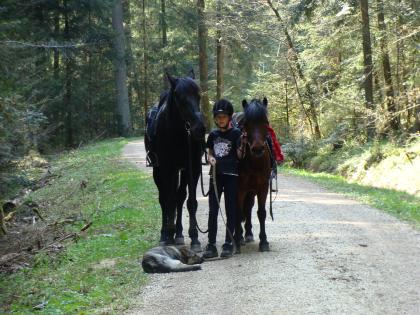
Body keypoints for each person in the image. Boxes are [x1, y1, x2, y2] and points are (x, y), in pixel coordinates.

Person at [203, 99, 246, 258]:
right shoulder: (213, 135)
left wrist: (243, 145)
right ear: (215, 118)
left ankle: (228, 243)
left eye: (224, 117)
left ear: (229, 118)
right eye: (218, 117)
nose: (221, 119)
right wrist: (210, 159)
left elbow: (240, 155)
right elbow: (210, 154)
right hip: (215, 177)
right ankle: (211, 244)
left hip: (232, 176)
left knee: (230, 209)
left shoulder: (236, 134)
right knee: (213, 210)